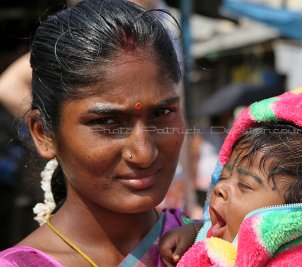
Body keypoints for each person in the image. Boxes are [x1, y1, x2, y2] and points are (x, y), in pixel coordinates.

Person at [0, 0, 192, 266]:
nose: (144, 153)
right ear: (44, 133)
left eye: (161, 113)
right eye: (108, 121)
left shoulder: (220, 247)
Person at [160, 81, 302, 266]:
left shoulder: (298, 260)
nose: (220, 188)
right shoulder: (220, 236)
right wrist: (196, 231)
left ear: (296, 215)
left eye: (244, 185)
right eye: (225, 177)